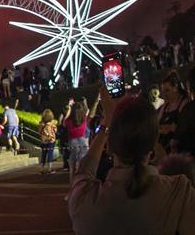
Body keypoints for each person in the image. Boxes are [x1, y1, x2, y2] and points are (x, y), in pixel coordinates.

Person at [68, 85, 195, 235]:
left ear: (110, 147)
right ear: (153, 141)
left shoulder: (84, 200)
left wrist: (106, 124)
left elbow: (84, 171)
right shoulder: (179, 192)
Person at [158, 71, 189, 154]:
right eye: (163, 91)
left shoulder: (184, 104)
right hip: (166, 152)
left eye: (167, 90)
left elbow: (186, 128)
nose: (164, 94)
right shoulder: (164, 107)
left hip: (181, 150)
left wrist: (171, 128)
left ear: (175, 88)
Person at [38, 109, 58, 174]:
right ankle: (49, 168)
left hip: (43, 141)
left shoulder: (41, 124)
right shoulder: (52, 124)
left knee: (43, 154)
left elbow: (39, 132)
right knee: (50, 154)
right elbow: (55, 131)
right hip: (51, 140)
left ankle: (41, 169)